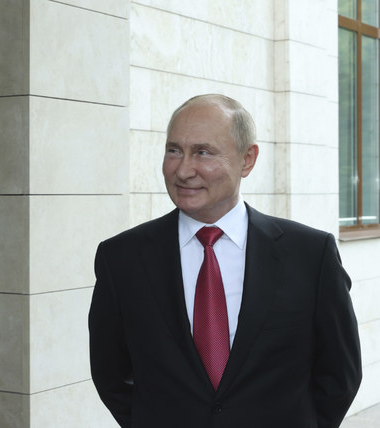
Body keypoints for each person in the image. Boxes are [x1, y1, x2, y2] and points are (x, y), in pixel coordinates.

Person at [88, 94, 362, 427]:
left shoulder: (310, 254)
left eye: (202, 152)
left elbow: (339, 375)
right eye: (174, 150)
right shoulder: (122, 258)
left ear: (247, 159)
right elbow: (110, 373)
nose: (184, 169)